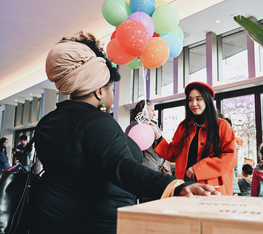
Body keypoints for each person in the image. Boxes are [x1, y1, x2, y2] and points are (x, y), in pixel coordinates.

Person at [28, 32, 219, 234]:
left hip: (47, 219)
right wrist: (174, 186)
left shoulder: (48, 121)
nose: (112, 97)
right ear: (99, 91)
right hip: (93, 224)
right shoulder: (97, 123)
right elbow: (120, 166)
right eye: (111, 90)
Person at [150, 81, 238, 195]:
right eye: (190, 99)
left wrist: (199, 168)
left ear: (207, 100)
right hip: (185, 185)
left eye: (198, 99)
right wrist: (157, 135)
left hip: (212, 187)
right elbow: (172, 153)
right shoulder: (183, 127)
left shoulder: (221, 125)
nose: (193, 103)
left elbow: (230, 157)